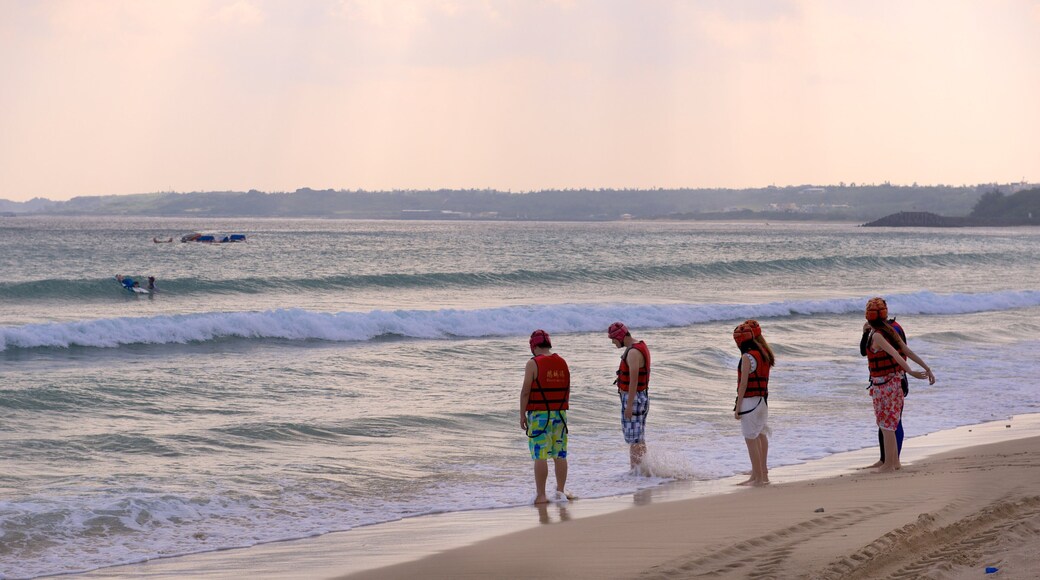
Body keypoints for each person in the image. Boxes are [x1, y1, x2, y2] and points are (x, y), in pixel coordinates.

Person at [864, 297, 936, 473]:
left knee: (886, 425)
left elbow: (897, 356)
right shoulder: (890, 330)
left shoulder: (878, 336)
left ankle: (888, 464)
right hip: (896, 382)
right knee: (891, 423)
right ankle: (895, 462)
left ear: (868, 318)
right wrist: (927, 368)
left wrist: (911, 371)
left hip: (884, 385)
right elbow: (906, 351)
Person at [520, 329, 571, 504]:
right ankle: (560, 491)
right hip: (560, 415)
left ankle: (541, 495)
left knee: (540, 455)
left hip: (539, 415)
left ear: (533, 346)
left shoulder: (533, 363)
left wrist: (522, 415)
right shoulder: (562, 362)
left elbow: (526, 392)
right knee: (560, 454)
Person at [859, 304, 908, 468]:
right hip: (888, 380)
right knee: (885, 423)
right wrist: (866, 332)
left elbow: (900, 353)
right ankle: (885, 460)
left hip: (895, 380)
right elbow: (864, 351)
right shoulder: (884, 330)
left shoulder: (888, 331)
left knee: (893, 422)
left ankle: (894, 461)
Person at [732, 319, 775, 486]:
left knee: (750, 439)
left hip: (749, 403)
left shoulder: (747, 357)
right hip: (762, 401)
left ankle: (757, 477)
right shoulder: (764, 353)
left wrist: (737, 407)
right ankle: (762, 472)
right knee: (761, 434)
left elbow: (743, 384)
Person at [608, 321, 651, 473]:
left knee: (635, 440)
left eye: (613, 339)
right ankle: (642, 470)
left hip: (635, 399)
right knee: (639, 438)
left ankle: (636, 472)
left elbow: (634, 381)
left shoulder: (633, 353)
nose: (613, 343)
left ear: (620, 336)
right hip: (641, 397)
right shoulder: (640, 345)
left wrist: (629, 405)